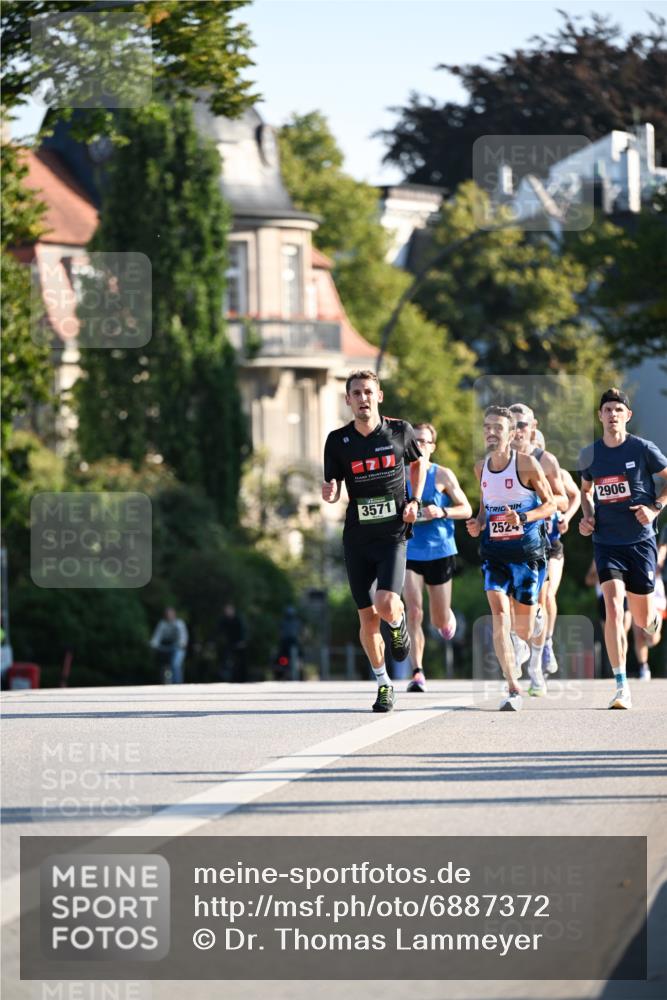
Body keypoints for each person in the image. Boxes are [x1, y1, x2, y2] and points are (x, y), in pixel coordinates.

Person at [322, 370, 426, 712]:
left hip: (393, 533)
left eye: (368, 391)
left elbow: (418, 464)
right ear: (348, 400)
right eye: (356, 393)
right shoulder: (338, 441)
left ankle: (397, 624)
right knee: (367, 618)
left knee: (385, 601)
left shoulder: (400, 431)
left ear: (379, 396)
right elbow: (333, 487)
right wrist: (330, 491)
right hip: (357, 537)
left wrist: (415, 501)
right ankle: (383, 684)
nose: (363, 398)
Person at [579, 387, 667, 709]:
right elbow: (586, 490)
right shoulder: (590, 455)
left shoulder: (643, 448)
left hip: (641, 541)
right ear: (600, 416)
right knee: (614, 607)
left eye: (618, 409)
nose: (613, 414)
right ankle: (621, 685)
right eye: (607, 409)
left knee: (642, 618)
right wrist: (587, 518)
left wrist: (655, 507)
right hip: (606, 542)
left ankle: (653, 618)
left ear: (627, 416)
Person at [466, 405, 556, 711]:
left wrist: (523, 516)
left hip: (528, 555)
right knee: (499, 617)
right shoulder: (480, 468)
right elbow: (484, 506)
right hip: (494, 554)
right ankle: (513, 687)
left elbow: (551, 505)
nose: (491, 432)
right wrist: (478, 523)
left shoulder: (527, 464)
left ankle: (538, 624)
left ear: (512, 433)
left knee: (524, 630)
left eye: (498, 428)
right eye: (487, 427)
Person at [402, 422, 472, 692]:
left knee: (438, 620)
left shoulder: (442, 475)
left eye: (424, 441)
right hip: (409, 550)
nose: (419, 445)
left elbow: (466, 508)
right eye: (415, 440)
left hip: (441, 550)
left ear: (432, 446)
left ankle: (446, 619)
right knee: (414, 611)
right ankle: (417, 672)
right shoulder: (399, 475)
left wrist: (441, 512)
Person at [508, 403, 568, 694]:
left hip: (543, 541)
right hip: (508, 543)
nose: (518, 430)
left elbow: (564, 499)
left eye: (522, 425)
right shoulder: (497, 460)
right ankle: (522, 646)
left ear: (533, 427)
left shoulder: (546, 460)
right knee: (513, 604)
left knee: (543, 597)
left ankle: (537, 665)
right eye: (513, 424)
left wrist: (541, 505)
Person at [531, 428, 581, 675]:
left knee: (548, 593)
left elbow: (576, 495)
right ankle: (530, 642)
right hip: (529, 546)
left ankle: (547, 642)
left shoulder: (558, 473)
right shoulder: (521, 474)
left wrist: (568, 518)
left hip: (552, 545)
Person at [150, 607, 188, 684]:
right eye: (167, 614)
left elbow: (183, 636)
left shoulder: (179, 624)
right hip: (166, 648)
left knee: (175, 664)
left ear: (174, 615)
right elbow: (157, 636)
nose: (169, 616)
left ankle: (178, 683)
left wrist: (182, 643)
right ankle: (164, 682)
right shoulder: (162, 624)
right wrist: (153, 644)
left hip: (178, 648)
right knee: (162, 665)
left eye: (170, 614)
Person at [216, 603, 247, 682]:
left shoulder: (238, 619)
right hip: (228, 644)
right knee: (226, 660)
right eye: (226, 610)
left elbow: (243, 631)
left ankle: (240, 679)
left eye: (229, 610)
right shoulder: (223, 620)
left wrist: (242, 641)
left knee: (239, 662)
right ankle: (227, 678)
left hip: (238, 643)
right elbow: (218, 631)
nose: (227, 612)